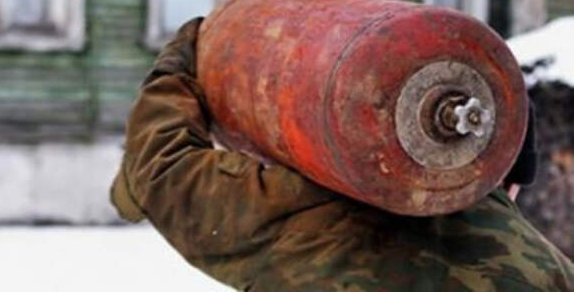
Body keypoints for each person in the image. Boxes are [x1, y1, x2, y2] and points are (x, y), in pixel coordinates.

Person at [111, 18, 574, 291]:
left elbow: (161, 168)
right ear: (504, 176)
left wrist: (181, 60)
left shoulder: (300, 215)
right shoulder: (549, 272)